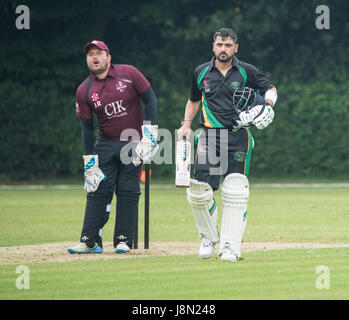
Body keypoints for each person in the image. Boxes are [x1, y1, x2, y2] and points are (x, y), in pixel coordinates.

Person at [178, 28, 277, 262]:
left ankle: (230, 246)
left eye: (228, 45)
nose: (223, 49)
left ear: (236, 48)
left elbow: (270, 89)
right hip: (209, 136)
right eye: (220, 44)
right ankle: (208, 237)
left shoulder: (246, 71)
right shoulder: (201, 72)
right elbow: (193, 100)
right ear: (213, 46)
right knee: (201, 190)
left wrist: (268, 105)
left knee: (235, 191)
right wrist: (185, 125)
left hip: (239, 136)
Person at [68, 40, 158, 254]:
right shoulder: (84, 89)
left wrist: (150, 135)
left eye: (98, 53)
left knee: (128, 190)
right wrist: (89, 161)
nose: (94, 57)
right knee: (97, 190)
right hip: (105, 144)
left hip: (133, 144)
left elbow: (150, 100)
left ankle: (123, 240)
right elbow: (87, 129)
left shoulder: (129, 73)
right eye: (90, 55)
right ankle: (90, 240)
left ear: (108, 56)